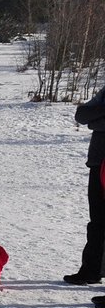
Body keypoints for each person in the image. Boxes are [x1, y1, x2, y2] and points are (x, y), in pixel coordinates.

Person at [66, 85, 105, 284]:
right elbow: (81, 115)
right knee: (97, 220)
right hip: (98, 163)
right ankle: (91, 270)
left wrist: (96, 122)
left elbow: (90, 120)